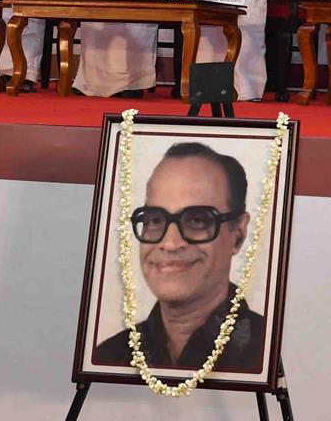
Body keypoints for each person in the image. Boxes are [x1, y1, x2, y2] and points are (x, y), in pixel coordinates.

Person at [94, 142, 266, 372]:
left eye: (197, 220)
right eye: (155, 220)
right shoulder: (109, 358)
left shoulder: (265, 352)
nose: (171, 243)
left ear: (238, 234)